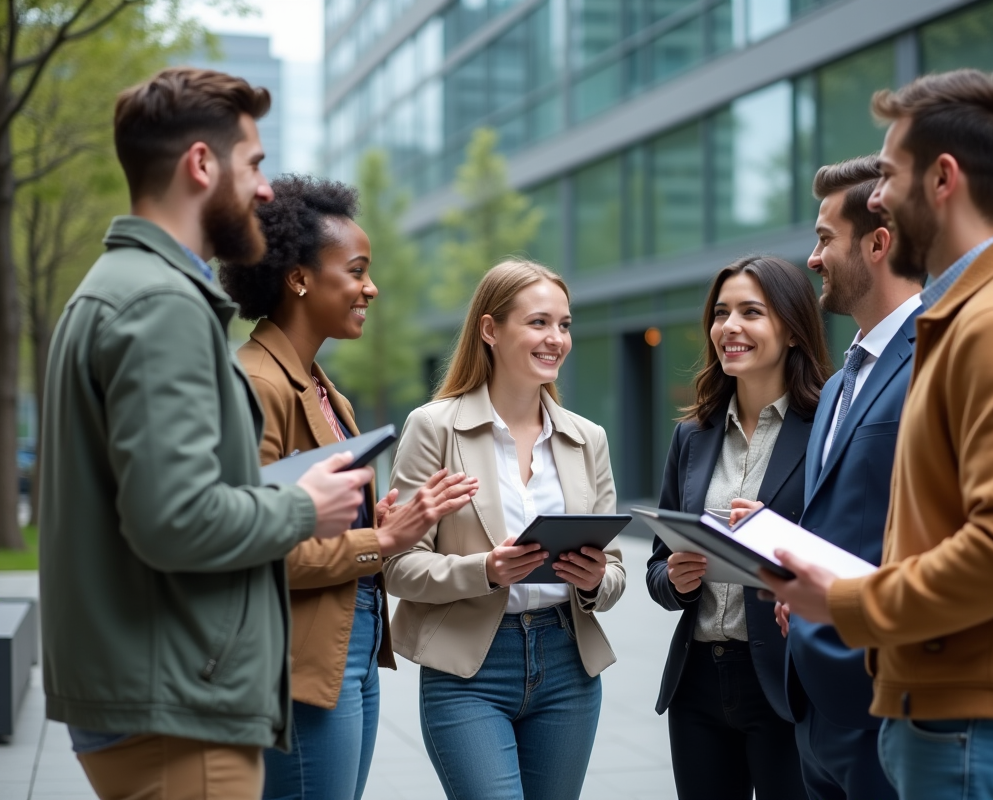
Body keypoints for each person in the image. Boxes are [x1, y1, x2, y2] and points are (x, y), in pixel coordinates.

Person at [761, 69, 993, 800]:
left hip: (977, 726)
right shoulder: (979, 314)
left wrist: (847, 601)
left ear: (943, 178)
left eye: (888, 173)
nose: (878, 194)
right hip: (961, 718)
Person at [37, 68, 374, 800]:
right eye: (252, 163)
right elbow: (176, 518)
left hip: (148, 687)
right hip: (173, 701)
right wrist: (301, 507)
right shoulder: (161, 304)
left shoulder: (117, 287)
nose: (263, 189)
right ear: (200, 164)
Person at [219, 174, 479, 800]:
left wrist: (380, 518)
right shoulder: (258, 383)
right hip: (297, 652)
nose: (372, 287)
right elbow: (253, 547)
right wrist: (383, 539)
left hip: (348, 640)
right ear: (299, 278)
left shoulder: (317, 383)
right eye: (357, 270)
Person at [384, 259, 627, 800]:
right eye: (539, 323)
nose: (556, 339)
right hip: (469, 669)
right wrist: (486, 570)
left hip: (568, 663)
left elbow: (614, 573)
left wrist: (592, 581)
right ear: (490, 330)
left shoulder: (588, 440)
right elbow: (397, 565)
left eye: (564, 325)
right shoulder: (433, 428)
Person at [760, 155, 922, 800]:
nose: (813, 258)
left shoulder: (938, 362)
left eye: (825, 238)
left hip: (885, 694)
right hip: (815, 698)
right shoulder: (836, 386)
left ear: (878, 244)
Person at [646, 255, 831, 800]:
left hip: (784, 678)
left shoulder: (824, 427)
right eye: (722, 312)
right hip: (698, 682)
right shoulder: (693, 435)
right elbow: (658, 567)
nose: (730, 327)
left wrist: (773, 535)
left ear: (792, 330)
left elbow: (843, 549)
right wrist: (673, 579)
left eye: (752, 312)